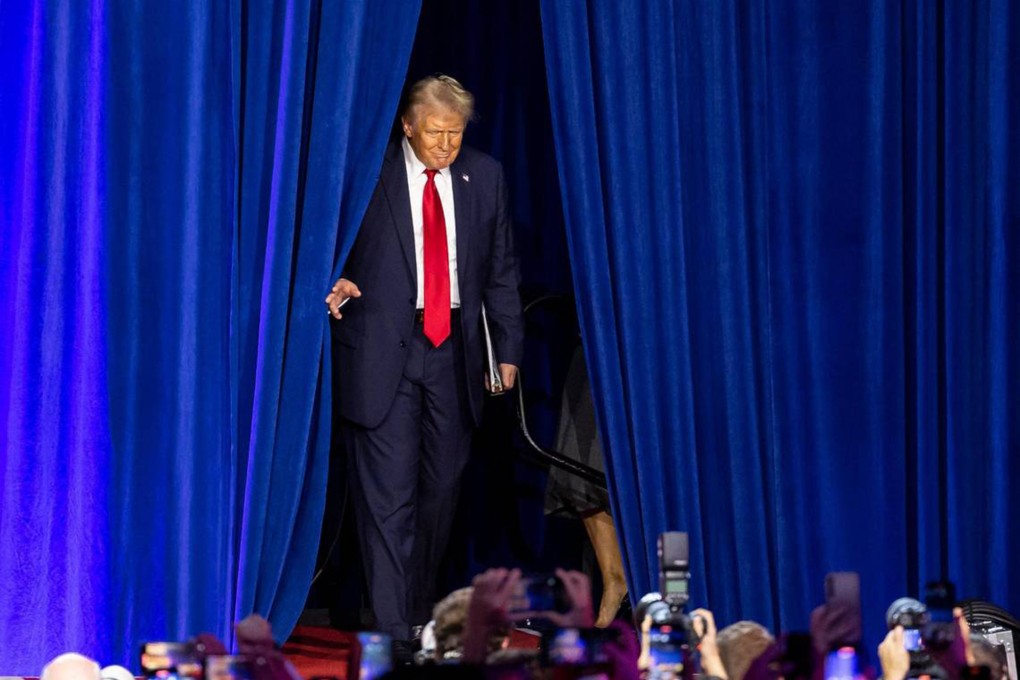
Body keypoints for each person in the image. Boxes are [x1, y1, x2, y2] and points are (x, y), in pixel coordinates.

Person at [325, 75, 524, 652]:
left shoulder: (484, 176)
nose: (445, 145)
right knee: (388, 502)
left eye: (455, 134)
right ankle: (392, 633)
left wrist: (507, 349)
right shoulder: (369, 171)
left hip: (454, 354)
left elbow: (501, 270)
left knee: (440, 494)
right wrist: (333, 277)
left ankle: (416, 615)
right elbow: (324, 241)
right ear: (408, 125)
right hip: (382, 351)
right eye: (435, 132)